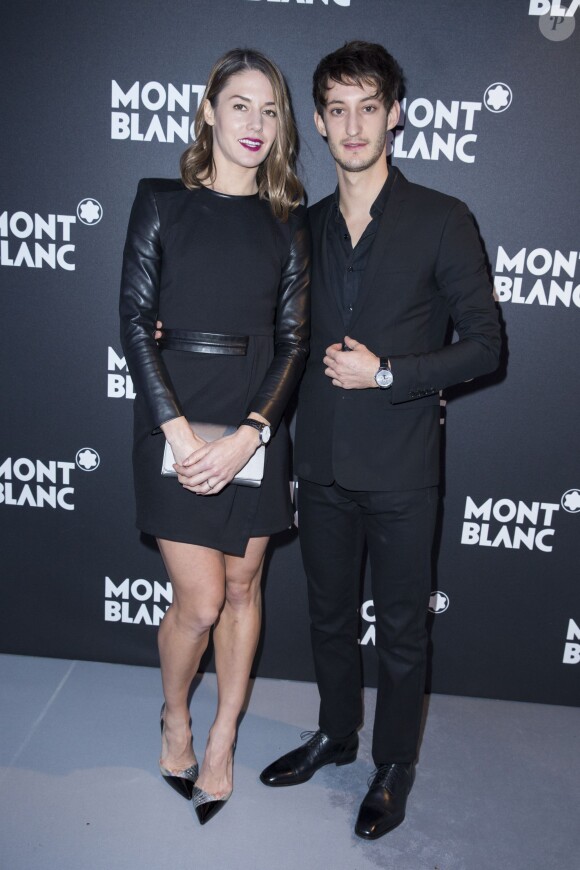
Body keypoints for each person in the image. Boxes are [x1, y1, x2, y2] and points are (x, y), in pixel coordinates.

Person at [259, 41, 501, 840]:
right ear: (321, 123)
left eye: (369, 106)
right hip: (320, 462)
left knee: (400, 627)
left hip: (401, 469)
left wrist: (390, 373)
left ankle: (393, 764)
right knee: (328, 615)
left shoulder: (442, 218)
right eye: (337, 108)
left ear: (395, 115)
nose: (353, 124)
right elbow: (270, 333)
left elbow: (485, 345)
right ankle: (336, 733)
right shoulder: (304, 225)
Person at [119, 48, 310, 825]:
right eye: (240, 105)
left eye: (270, 110)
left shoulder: (290, 224)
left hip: (255, 420)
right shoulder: (160, 201)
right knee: (196, 601)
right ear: (208, 111)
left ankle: (224, 737)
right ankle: (176, 716)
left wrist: (251, 436)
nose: (255, 123)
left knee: (241, 589)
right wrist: (175, 430)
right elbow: (134, 320)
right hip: (174, 413)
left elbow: (296, 341)